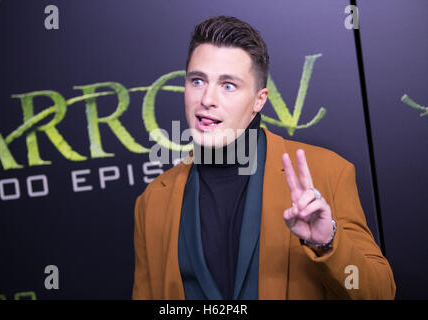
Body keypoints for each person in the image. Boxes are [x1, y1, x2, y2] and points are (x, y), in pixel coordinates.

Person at [132, 16, 396, 299]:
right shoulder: (152, 202)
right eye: (197, 80)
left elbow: (378, 293)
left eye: (228, 85)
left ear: (259, 100)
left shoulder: (329, 172)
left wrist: (328, 242)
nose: (207, 98)